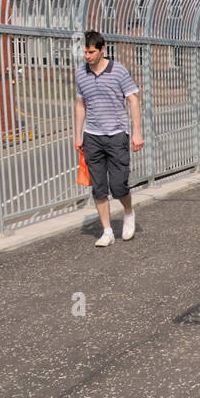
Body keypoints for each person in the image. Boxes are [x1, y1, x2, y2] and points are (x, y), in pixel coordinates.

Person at [74, 31, 144, 246]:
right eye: (85, 52)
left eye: (91, 52)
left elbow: (132, 99)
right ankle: (107, 231)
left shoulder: (118, 70)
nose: (87, 56)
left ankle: (129, 213)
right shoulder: (80, 74)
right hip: (92, 137)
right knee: (99, 187)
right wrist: (78, 134)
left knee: (119, 185)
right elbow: (80, 104)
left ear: (102, 50)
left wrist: (137, 131)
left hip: (116, 135)